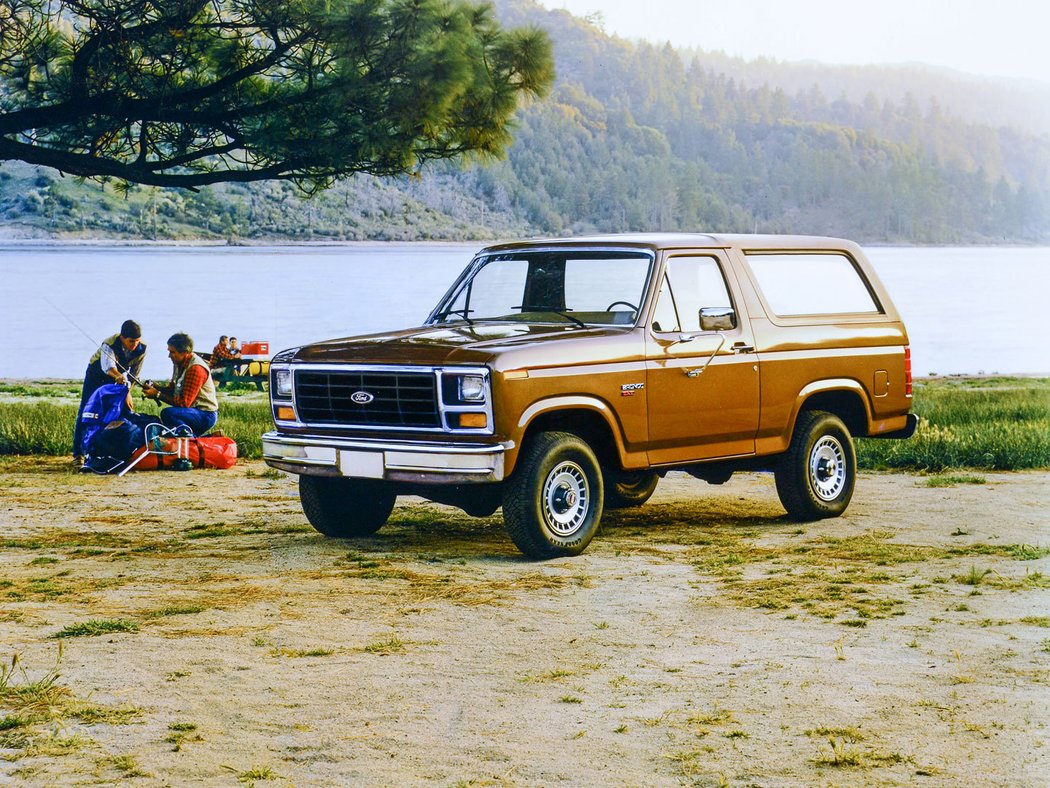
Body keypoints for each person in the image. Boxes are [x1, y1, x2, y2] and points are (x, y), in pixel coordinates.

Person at [73, 320, 146, 463]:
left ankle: (115, 450)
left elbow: (134, 375)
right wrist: (119, 376)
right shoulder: (110, 344)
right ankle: (78, 453)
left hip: (119, 379)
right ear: (122, 338)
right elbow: (108, 367)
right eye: (131, 341)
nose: (134, 345)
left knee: (123, 410)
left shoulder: (142, 348)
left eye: (137, 341)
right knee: (86, 411)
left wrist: (127, 393)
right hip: (97, 375)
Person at [141, 332, 219, 436]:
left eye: (172, 352)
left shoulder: (195, 368)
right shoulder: (179, 363)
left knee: (168, 414)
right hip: (193, 411)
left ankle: (191, 439)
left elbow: (184, 403)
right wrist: (155, 386)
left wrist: (157, 394)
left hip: (205, 414)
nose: (169, 356)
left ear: (185, 352)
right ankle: (198, 438)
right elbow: (172, 391)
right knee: (168, 418)